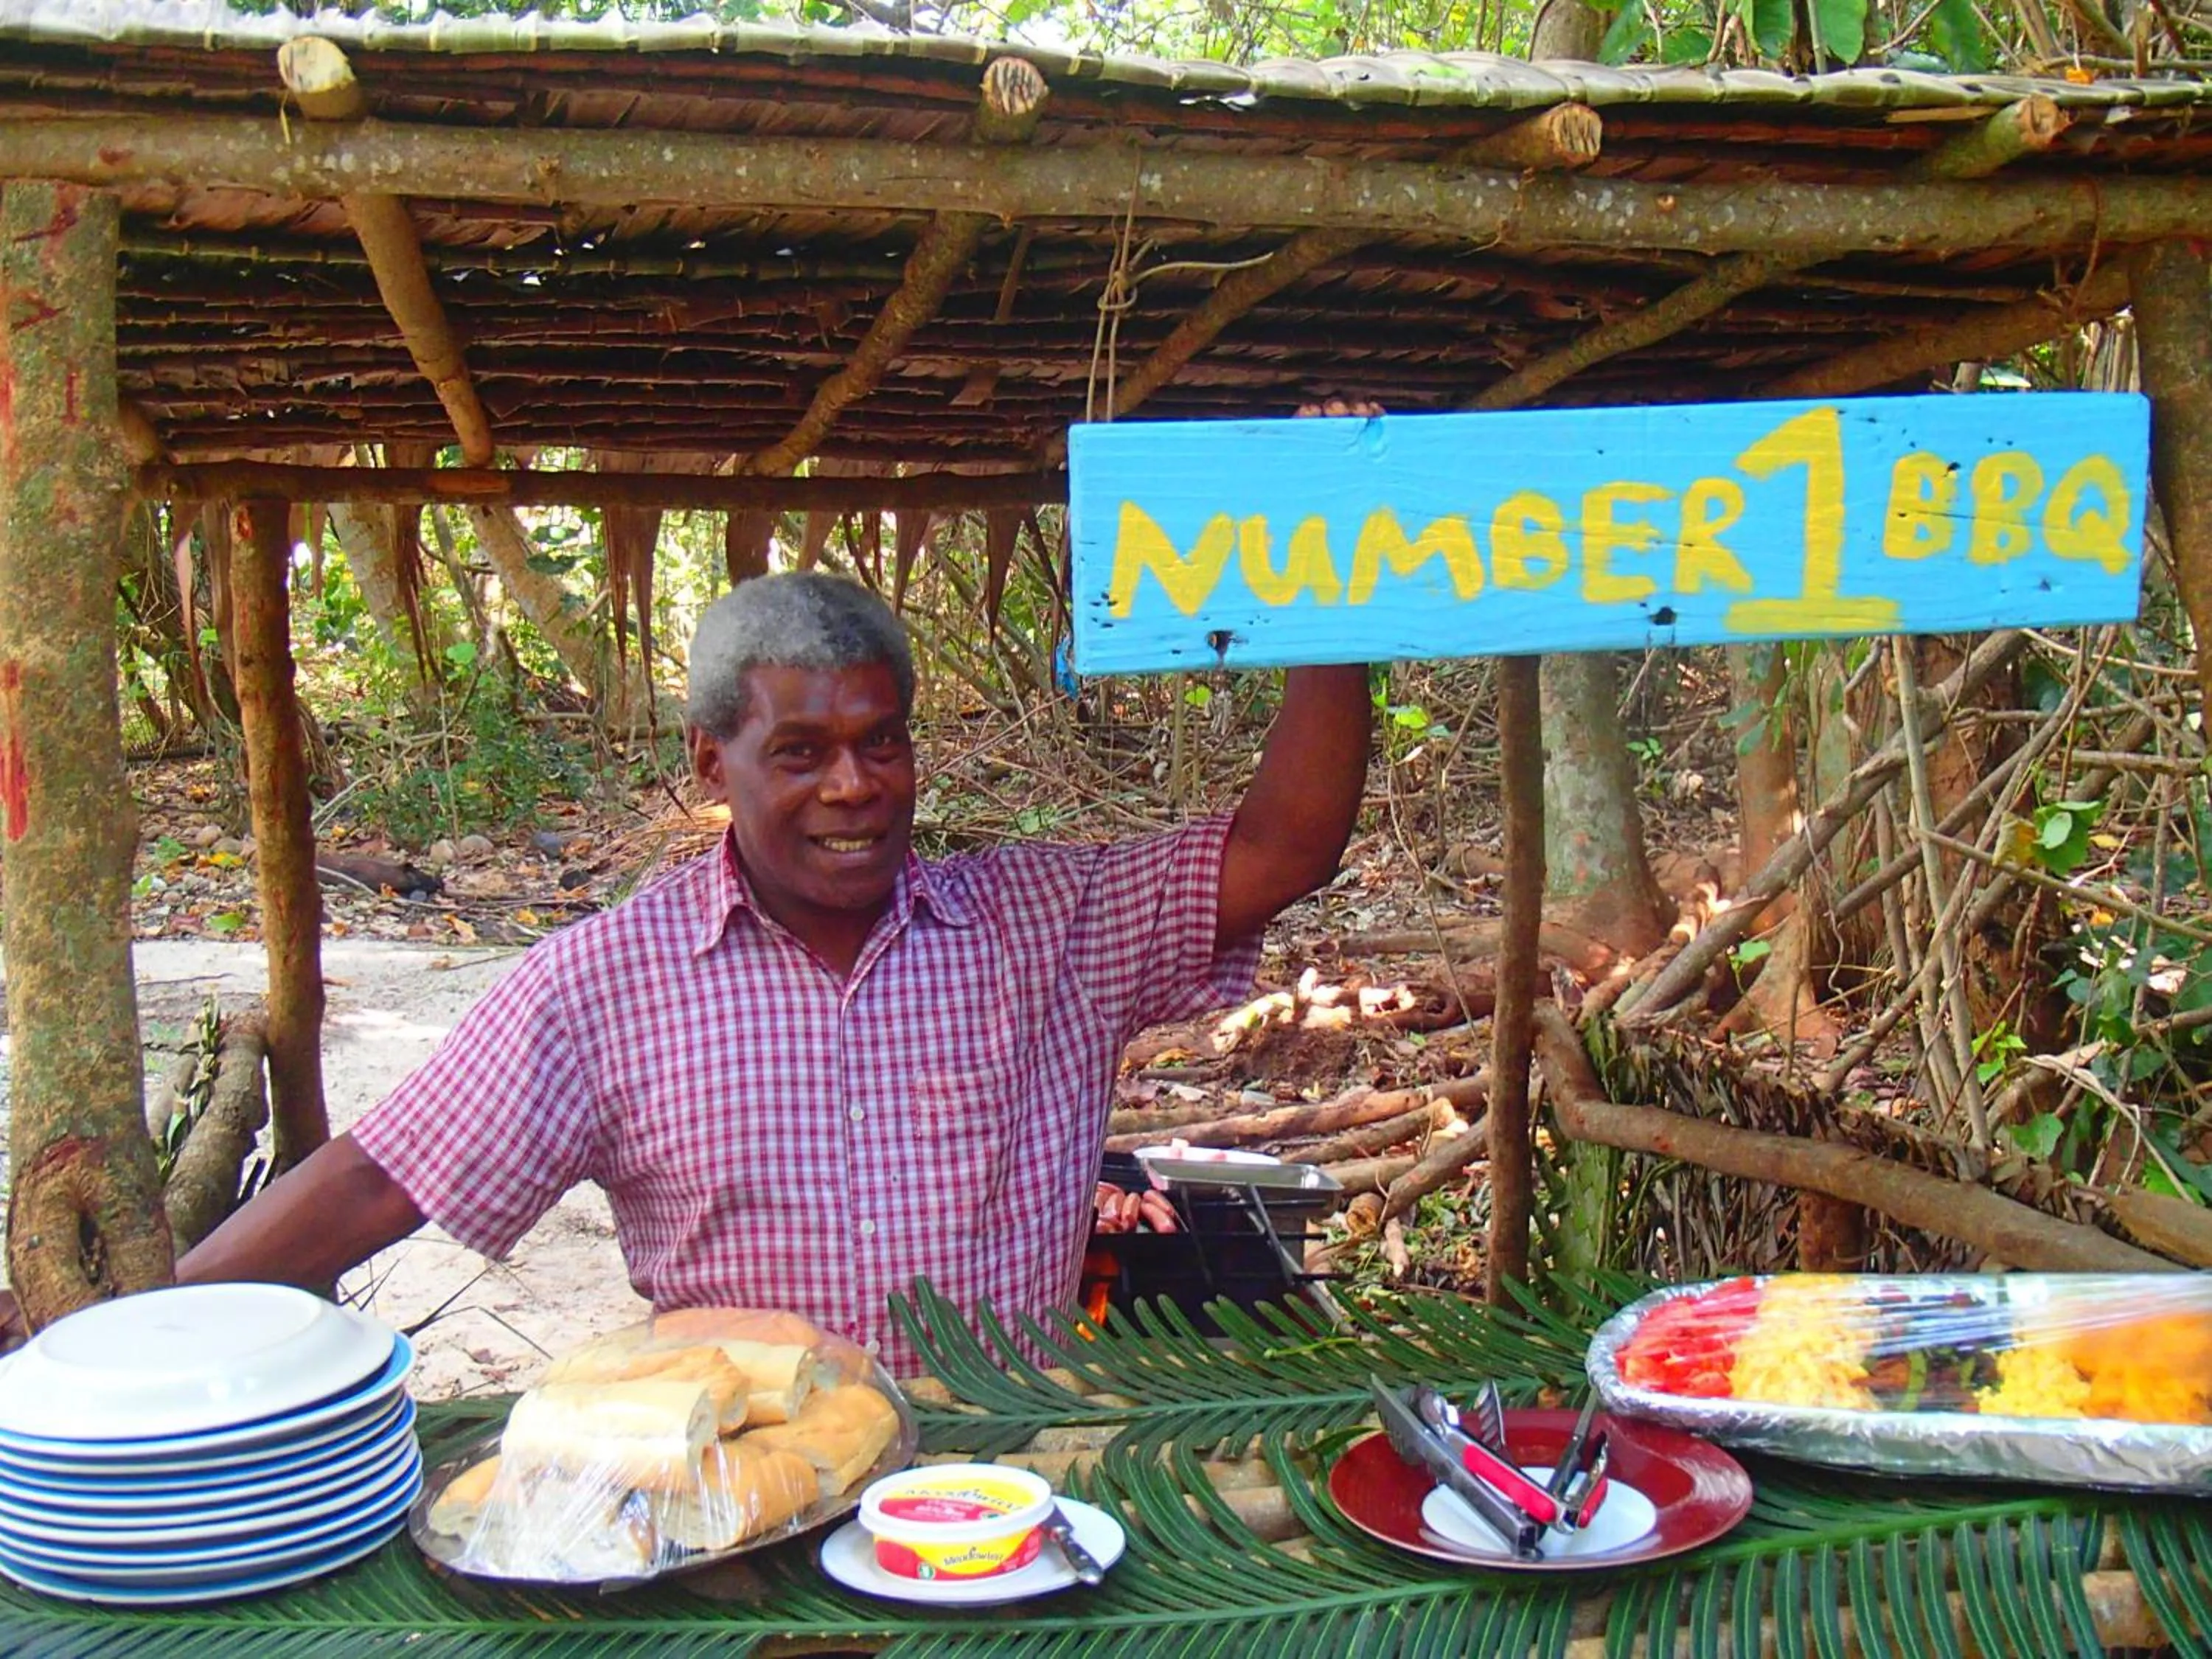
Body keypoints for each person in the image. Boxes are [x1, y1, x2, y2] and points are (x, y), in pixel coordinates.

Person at [156, 567, 1371, 1374]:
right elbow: (383, 1175)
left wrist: (1333, 585)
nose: (854, 786)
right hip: (743, 1498)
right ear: (710, 760)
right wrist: (132, 1329)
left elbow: (1287, 848)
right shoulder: (605, 984)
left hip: (1002, 1487)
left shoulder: (1044, 927)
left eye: (881, 741)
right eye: (799, 752)